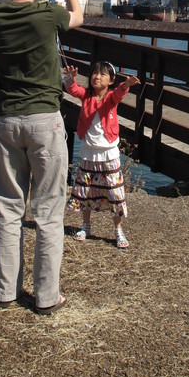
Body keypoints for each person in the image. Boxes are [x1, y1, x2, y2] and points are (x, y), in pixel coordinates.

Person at [0, 0, 83, 314]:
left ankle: (4, 290)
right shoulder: (48, 15)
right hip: (44, 120)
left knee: (8, 209)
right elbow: (79, 16)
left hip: (6, 120)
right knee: (48, 212)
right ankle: (45, 296)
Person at [63, 61, 140, 249]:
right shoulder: (86, 95)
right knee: (85, 191)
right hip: (89, 152)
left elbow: (119, 92)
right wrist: (69, 77)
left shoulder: (111, 97)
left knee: (114, 193)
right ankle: (85, 226)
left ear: (111, 80)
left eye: (103, 74)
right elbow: (73, 90)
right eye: (95, 73)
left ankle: (118, 231)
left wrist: (127, 84)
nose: (97, 77)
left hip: (108, 153)